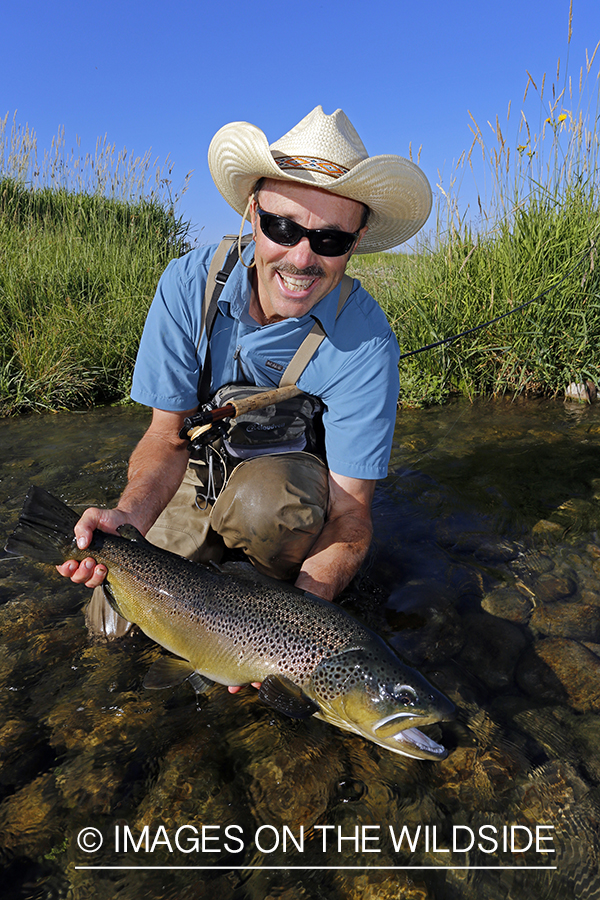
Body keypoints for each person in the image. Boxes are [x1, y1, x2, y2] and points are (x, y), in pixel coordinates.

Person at [57, 106, 432, 648]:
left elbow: (351, 515)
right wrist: (126, 518)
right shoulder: (190, 285)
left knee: (265, 509)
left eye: (330, 240)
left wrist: (298, 631)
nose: (303, 259)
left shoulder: (367, 341)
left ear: (358, 238)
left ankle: (266, 586)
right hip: (196, 468)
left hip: (285, 494)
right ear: (253, 214)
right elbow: (166, 438)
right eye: (283, 226)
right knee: (114, 624)